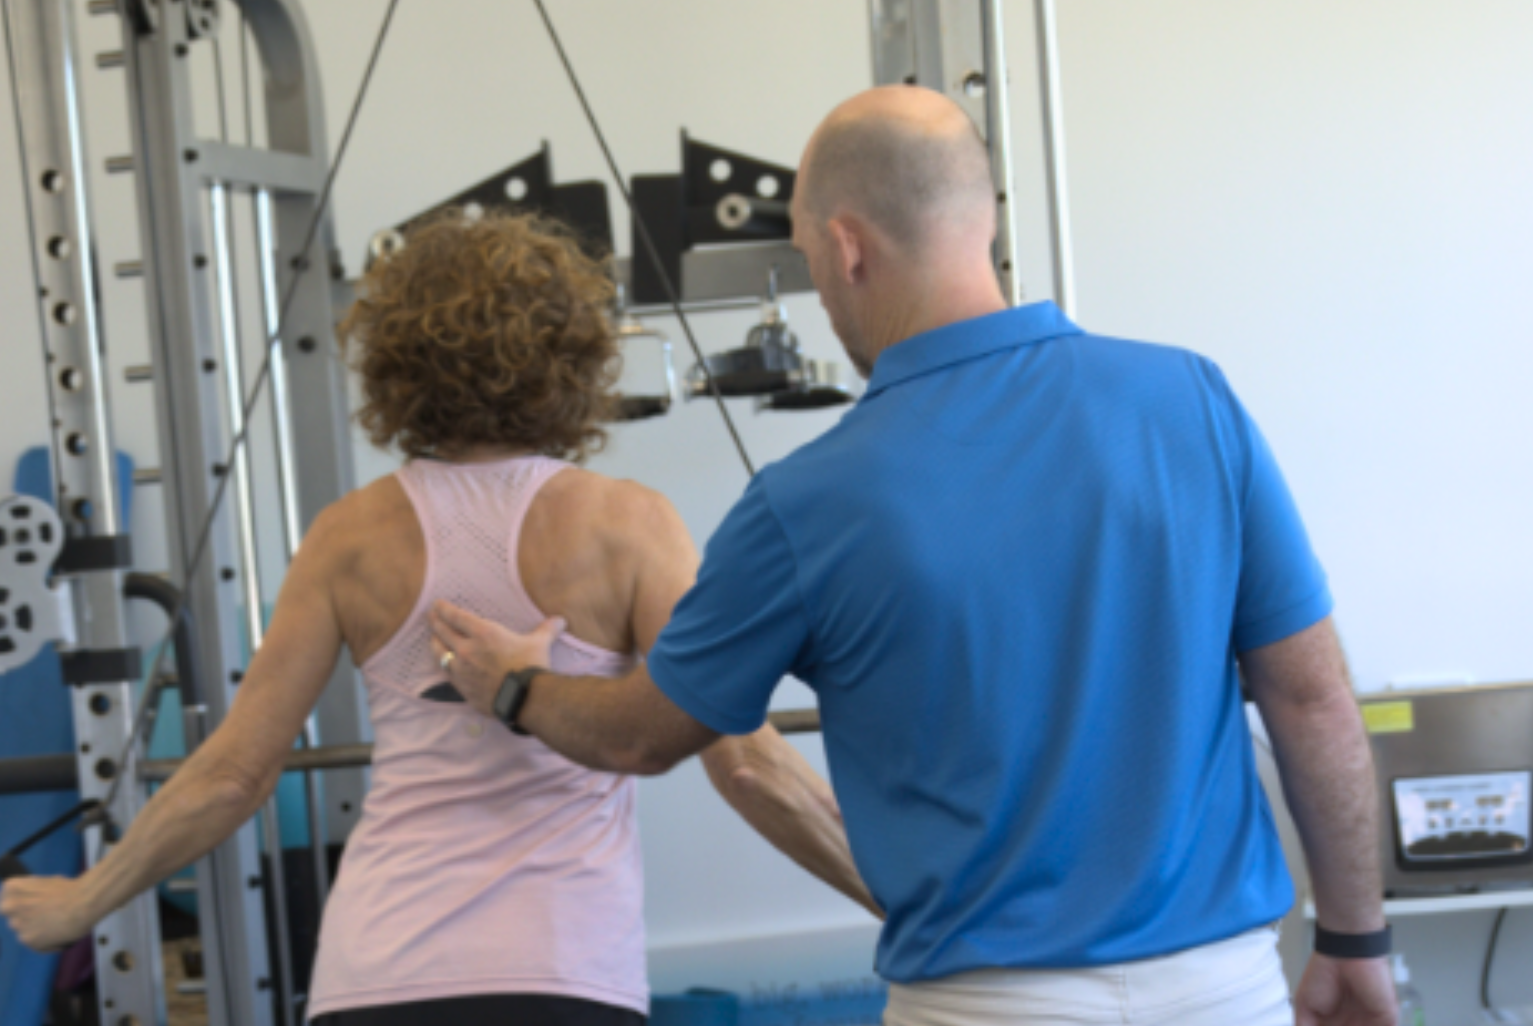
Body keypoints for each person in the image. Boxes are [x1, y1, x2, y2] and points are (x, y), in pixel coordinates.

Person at [427, 87, 1397, 1026]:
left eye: (809, 255)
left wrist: (516, 685)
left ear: (847, 247)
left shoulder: (807, 503)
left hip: (986, 1008)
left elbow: (642, 736)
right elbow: (1311, 697)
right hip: (1226, 993)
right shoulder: (1191, 402)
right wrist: (1355, 943)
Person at [1, 211, 876, 1026]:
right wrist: (904, 908)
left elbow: (233, 773)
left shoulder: (348, 536)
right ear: (572, 355)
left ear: (396, 363)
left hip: (376, 974)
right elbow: (751, 768)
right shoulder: (627, 524)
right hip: (560, 971)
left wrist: (82, 899)